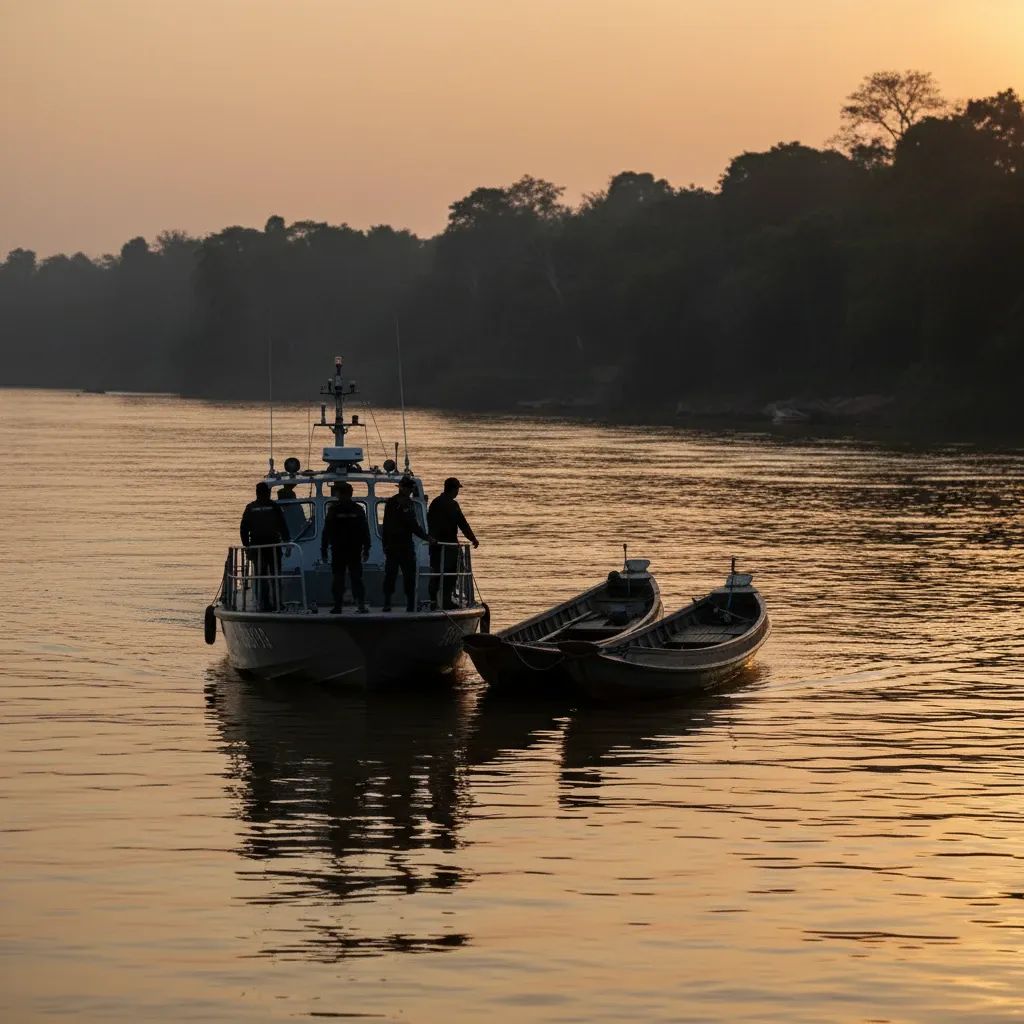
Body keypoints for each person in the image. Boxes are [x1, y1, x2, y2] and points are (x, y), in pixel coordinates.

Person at [427, 477, 479, 609]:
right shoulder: (452, 505)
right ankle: (445, 600)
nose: (458, 492)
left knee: (436, 573)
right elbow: (462, 524)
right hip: (448, 545)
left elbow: (429, 523)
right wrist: (473, 539)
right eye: (457, 489)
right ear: (453, 489)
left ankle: (433, 601)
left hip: (435, 545)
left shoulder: (435, 503)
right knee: (451, 573)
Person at [381, 476, 431, 612]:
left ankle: (402, 603)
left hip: (397, 545)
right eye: (407, 488)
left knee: (401, 575)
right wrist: (427, 537)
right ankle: (400, 603)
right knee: (401, 575)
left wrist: (385, 544)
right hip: (400, 546)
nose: (408, 491)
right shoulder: (403, 504)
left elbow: (386, 526)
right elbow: (413, 525)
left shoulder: (392, 502)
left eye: (409, 488)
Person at [321, 482, 371, 613]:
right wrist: (366, 548)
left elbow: (326, 531)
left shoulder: (334, 510)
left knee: (347, 578)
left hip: (344, 550)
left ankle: (346, 606)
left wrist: (324, 550)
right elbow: (365, 531)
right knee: (346, 579)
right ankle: (346, 605)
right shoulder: (357, 509)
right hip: (346, 549)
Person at [239, 482, 290, 610]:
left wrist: (247, 546)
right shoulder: (274, 507)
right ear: (268, 492)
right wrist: (287, 541)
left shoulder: (251, 508)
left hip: (259, 547)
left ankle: (265, 603)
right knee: (274, 576)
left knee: (262, 576)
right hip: (271, 546)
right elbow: (283, 526)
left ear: (257, 493)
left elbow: (243, 529)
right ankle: (277, 603)